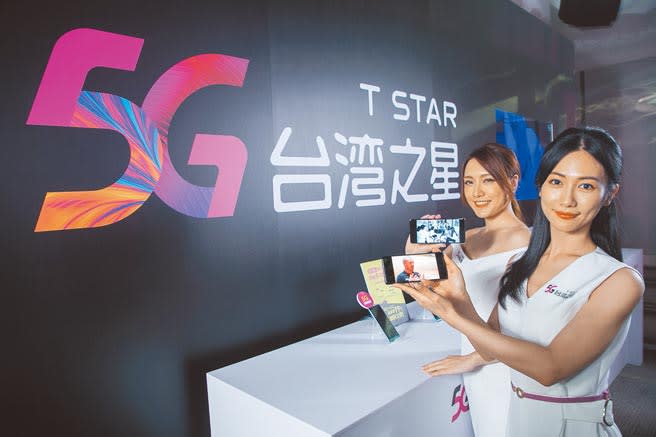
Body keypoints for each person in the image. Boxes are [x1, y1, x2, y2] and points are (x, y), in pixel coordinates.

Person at [398, 127, 644, 436]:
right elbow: (489, 343)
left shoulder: (619, 280)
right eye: (556, 182)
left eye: (585, 185)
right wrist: (452, 294)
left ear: (610, 194)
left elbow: (550, 368)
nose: (567, 199)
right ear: (541, 187)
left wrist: (452, 314)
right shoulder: (521, 264)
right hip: (518, 412)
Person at [406, 143, 530, 437]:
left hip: (510, 367)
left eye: (488, 180)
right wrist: (413, 253)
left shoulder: (531, 244)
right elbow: (429, 296)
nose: (476, 192)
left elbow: (529, 326)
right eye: (469, 182)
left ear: (513, 182)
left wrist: (473, 359)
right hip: (476, 368)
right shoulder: (464, 239)